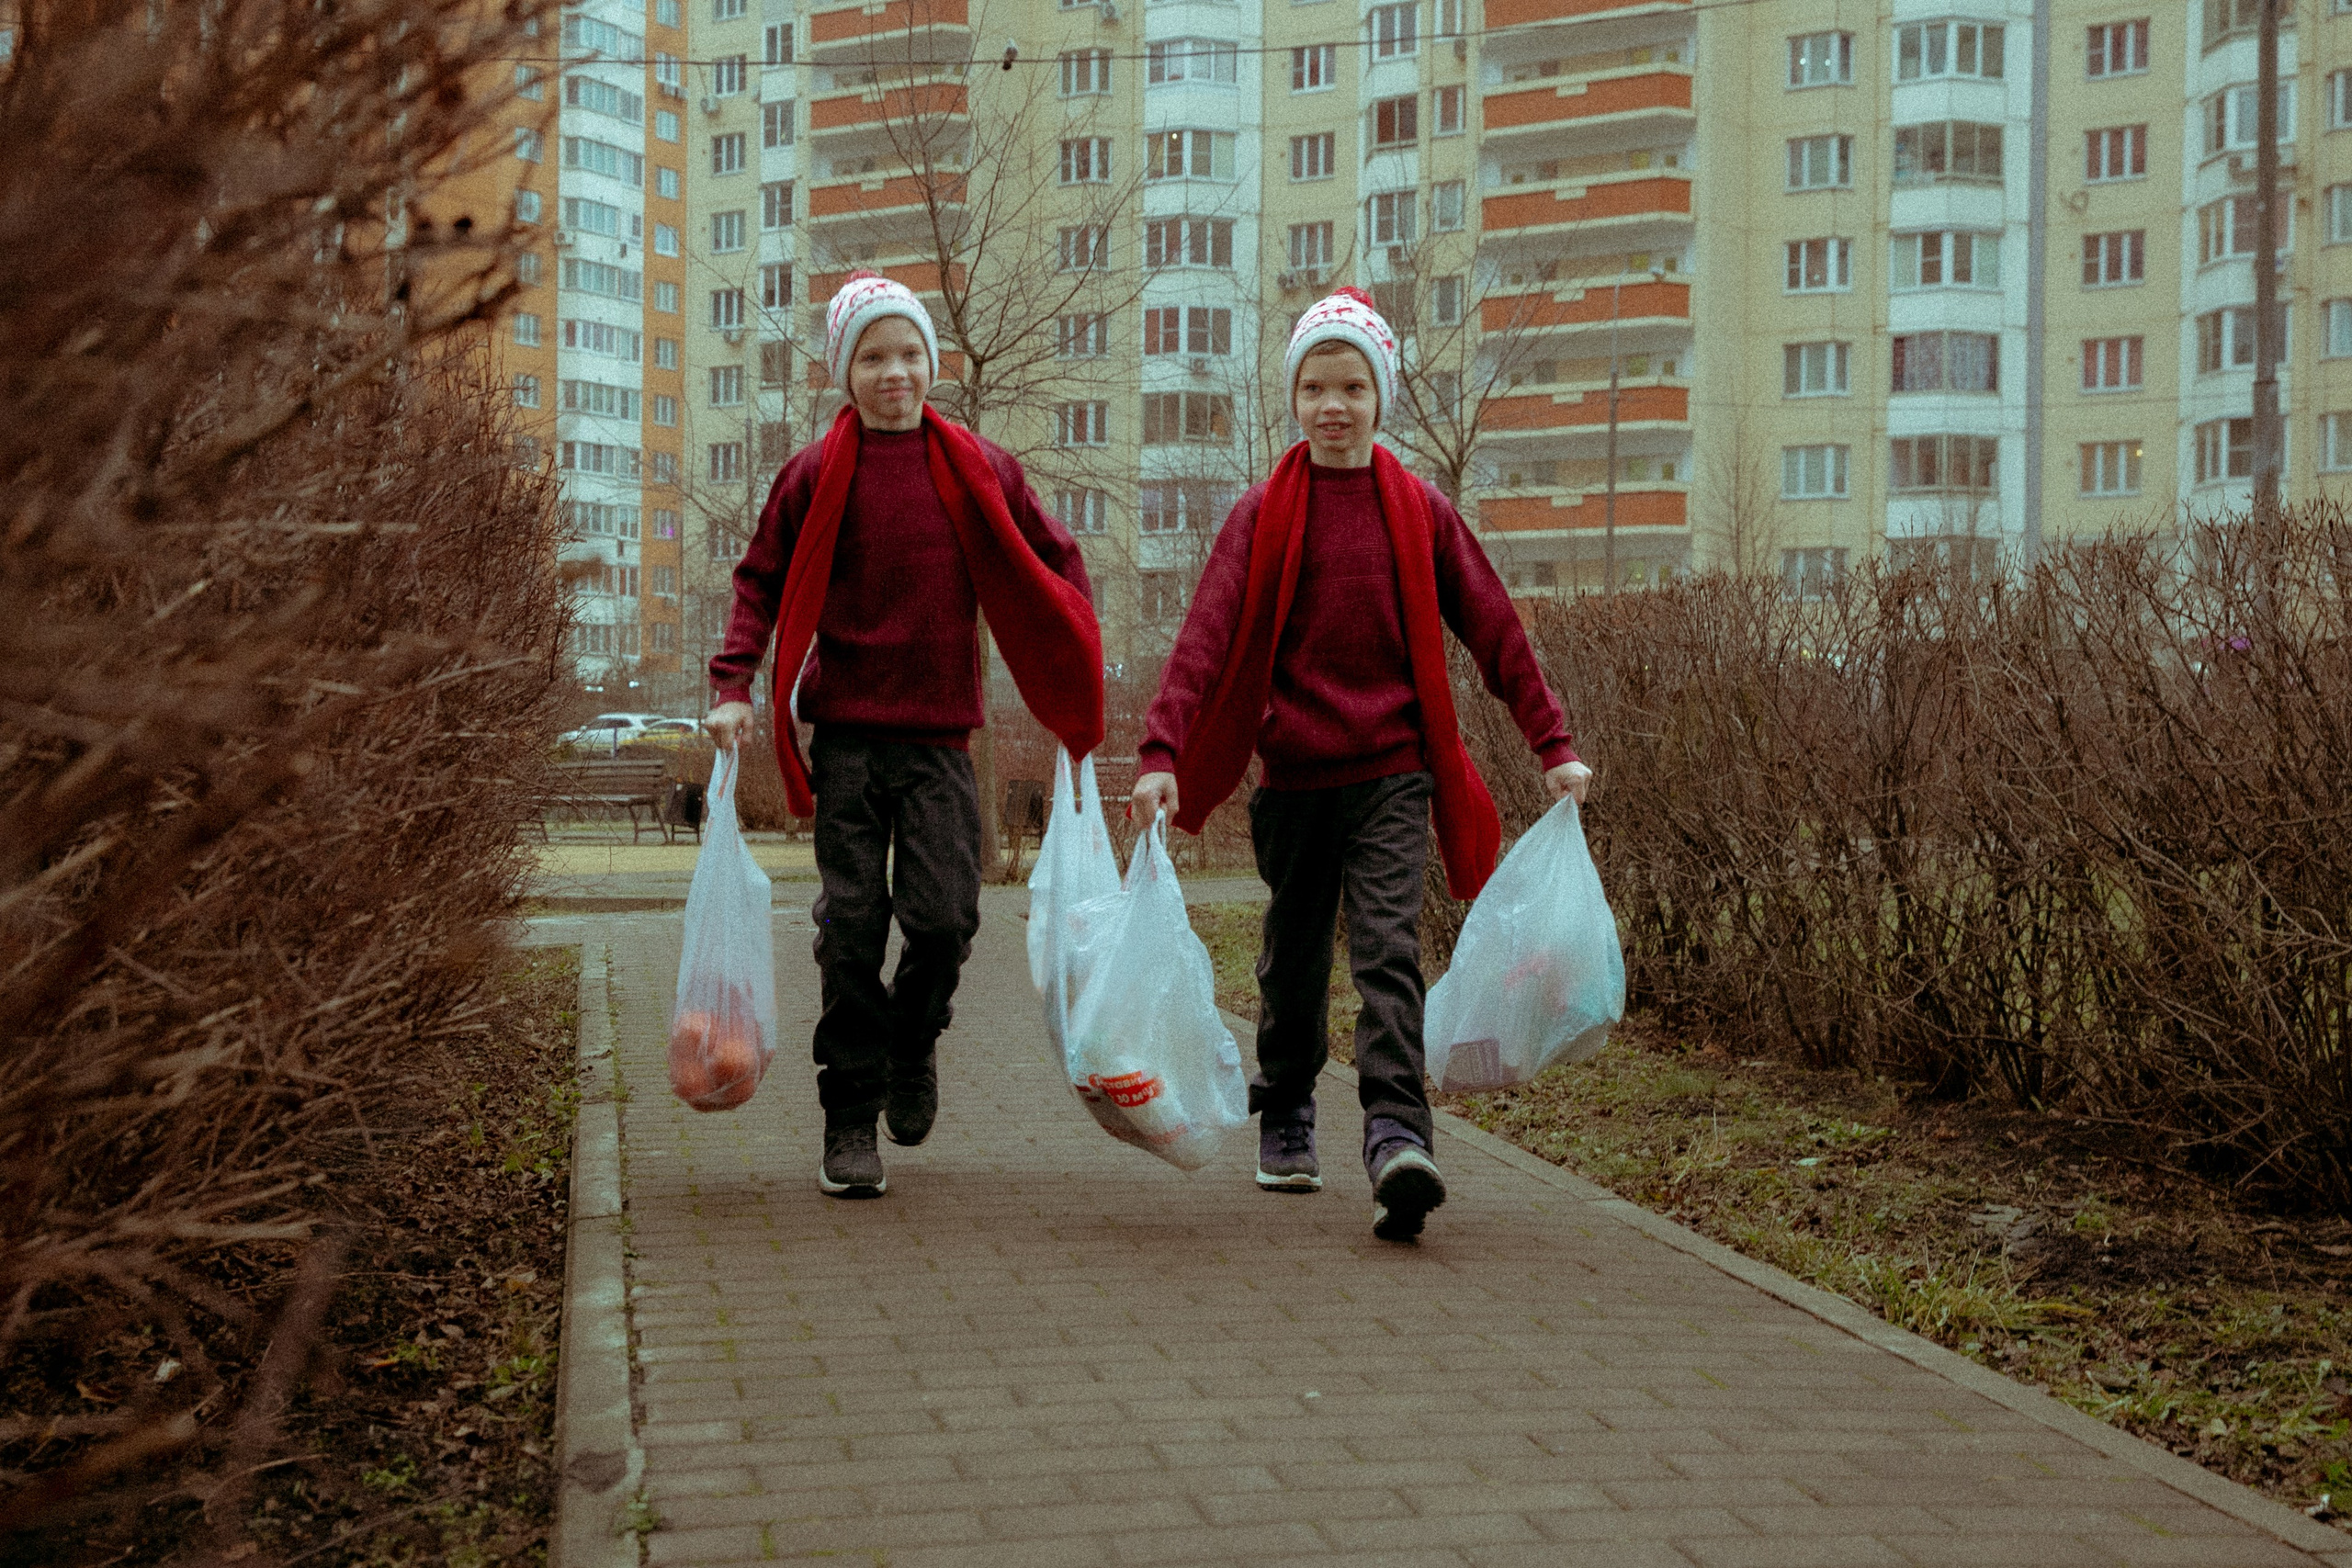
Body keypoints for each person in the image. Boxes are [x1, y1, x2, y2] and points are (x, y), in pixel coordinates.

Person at [1132, 288, 1591, 1243]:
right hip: (1293, 781)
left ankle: (1395, 1137)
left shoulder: (1418, 512)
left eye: (1351, 385)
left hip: (1391, 773)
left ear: (1380, 397)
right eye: (1313, 386)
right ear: (1292, 399)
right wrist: (1161, 752)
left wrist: (1551, 742)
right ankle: (1289, 1104)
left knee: (1387, 952)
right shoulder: (1261, 514)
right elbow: (1203, 642)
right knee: (1293, 965)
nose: (1332, 404)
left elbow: (1496, 629)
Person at [707, 271, 1102, 1199]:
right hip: (846, 737)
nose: (896, 373)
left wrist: (1071, 659)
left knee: (944, 919)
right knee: (852, 933)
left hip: (938, 742)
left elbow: (1055, 559)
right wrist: (732, 683)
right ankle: (849, 1120)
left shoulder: (977, 467)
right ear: (845, 370)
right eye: (875, 357)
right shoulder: (812, 474)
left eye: (911, 354)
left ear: (934, 363)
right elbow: (759, 580)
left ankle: (913, 1037)